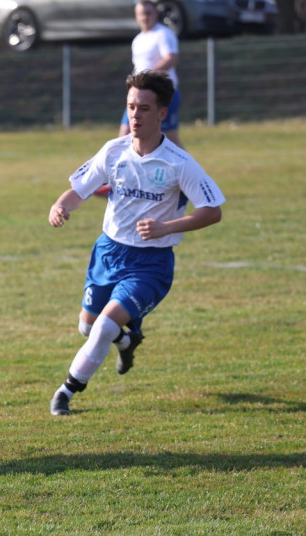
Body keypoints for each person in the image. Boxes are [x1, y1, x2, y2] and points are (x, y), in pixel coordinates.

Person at [47, 70, 224, 416]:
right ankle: (127, 342)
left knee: (102, 327)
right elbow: (79, 191)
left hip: (150, 264)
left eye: (144, 108)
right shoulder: (113, 152)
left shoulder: (179, 163)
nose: (134, 115)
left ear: (162, 113)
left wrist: (166, 227)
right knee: (86, 326)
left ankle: (65, 393)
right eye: (130, 107)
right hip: (108, 252)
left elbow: (213, 211)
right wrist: (60, 206)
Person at [119, 0, 181, 148]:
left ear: (155, 14)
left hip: (161, 93)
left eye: (148, 13)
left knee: (169, 139)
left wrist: (149, 77)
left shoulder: (163, 34)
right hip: (140, 95)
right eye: (141, 14)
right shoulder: (138, 39)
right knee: (125, 134)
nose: (144, 17)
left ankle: (190, 170)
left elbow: (171, 58)